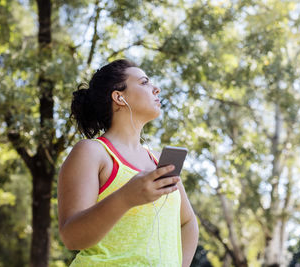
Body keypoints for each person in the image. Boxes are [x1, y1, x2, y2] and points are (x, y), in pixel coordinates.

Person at [57, 59, 199, 266]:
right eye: (144, 83)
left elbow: (187, 222)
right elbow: (71, 237)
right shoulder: (92, 152)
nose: (156, 89)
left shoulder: (159, 161)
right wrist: (125, 198)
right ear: (119, 97)